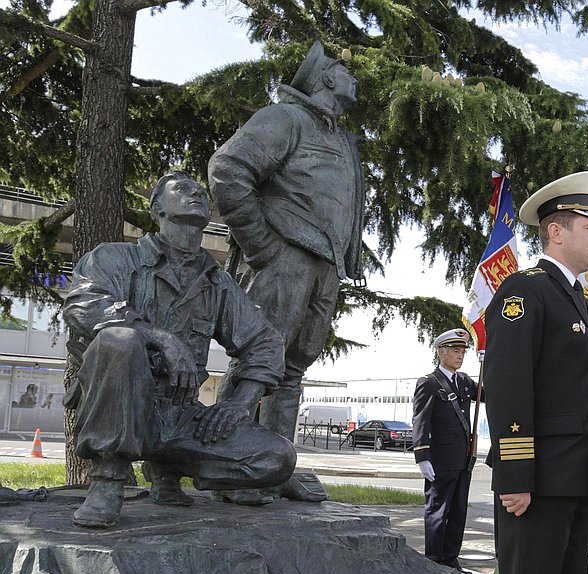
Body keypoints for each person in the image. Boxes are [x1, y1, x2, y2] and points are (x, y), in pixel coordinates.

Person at [62, 173, 296, 528]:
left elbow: (264, 342)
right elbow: (83, 304)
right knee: (120, 340)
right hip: (123, 408)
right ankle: (107, 480)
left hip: (180, 417)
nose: (196, 194)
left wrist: (239, 404)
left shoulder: (216, 281)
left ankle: (170, 464)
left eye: (201, 191)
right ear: (157, 208)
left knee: (277, 458)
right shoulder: (114, 258)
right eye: (183, 190)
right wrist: (158, 337)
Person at [208, 40, 364, 501]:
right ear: (327, 78)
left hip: (325, 263)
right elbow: (228, 169)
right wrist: (261, 244)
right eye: (344, 70)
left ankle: (274, 468)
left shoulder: (339, 138)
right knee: (258, 359)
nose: (354, 77)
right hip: (286, 255)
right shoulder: (287, 118)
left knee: (293, 367)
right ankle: (226, 467)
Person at [484, 171, 588, 574]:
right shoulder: (525, 290)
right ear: (556, 231)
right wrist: (515, 475)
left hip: (576, 480)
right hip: (536, 484)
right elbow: (508, 387)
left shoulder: (581, 301)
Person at [412, 328, 479, 574]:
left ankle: (451, 559)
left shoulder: (464, 381)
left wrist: (494, 367)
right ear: (441, 352)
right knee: (437, 511)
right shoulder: (429, 383)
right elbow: (421, 420)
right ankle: (434, 561)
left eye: (462, 352)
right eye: (455, 350)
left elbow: (487, 395)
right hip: (440, 460)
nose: (460, 356)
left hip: (463, 459)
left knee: (458, 511)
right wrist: (422, 457)